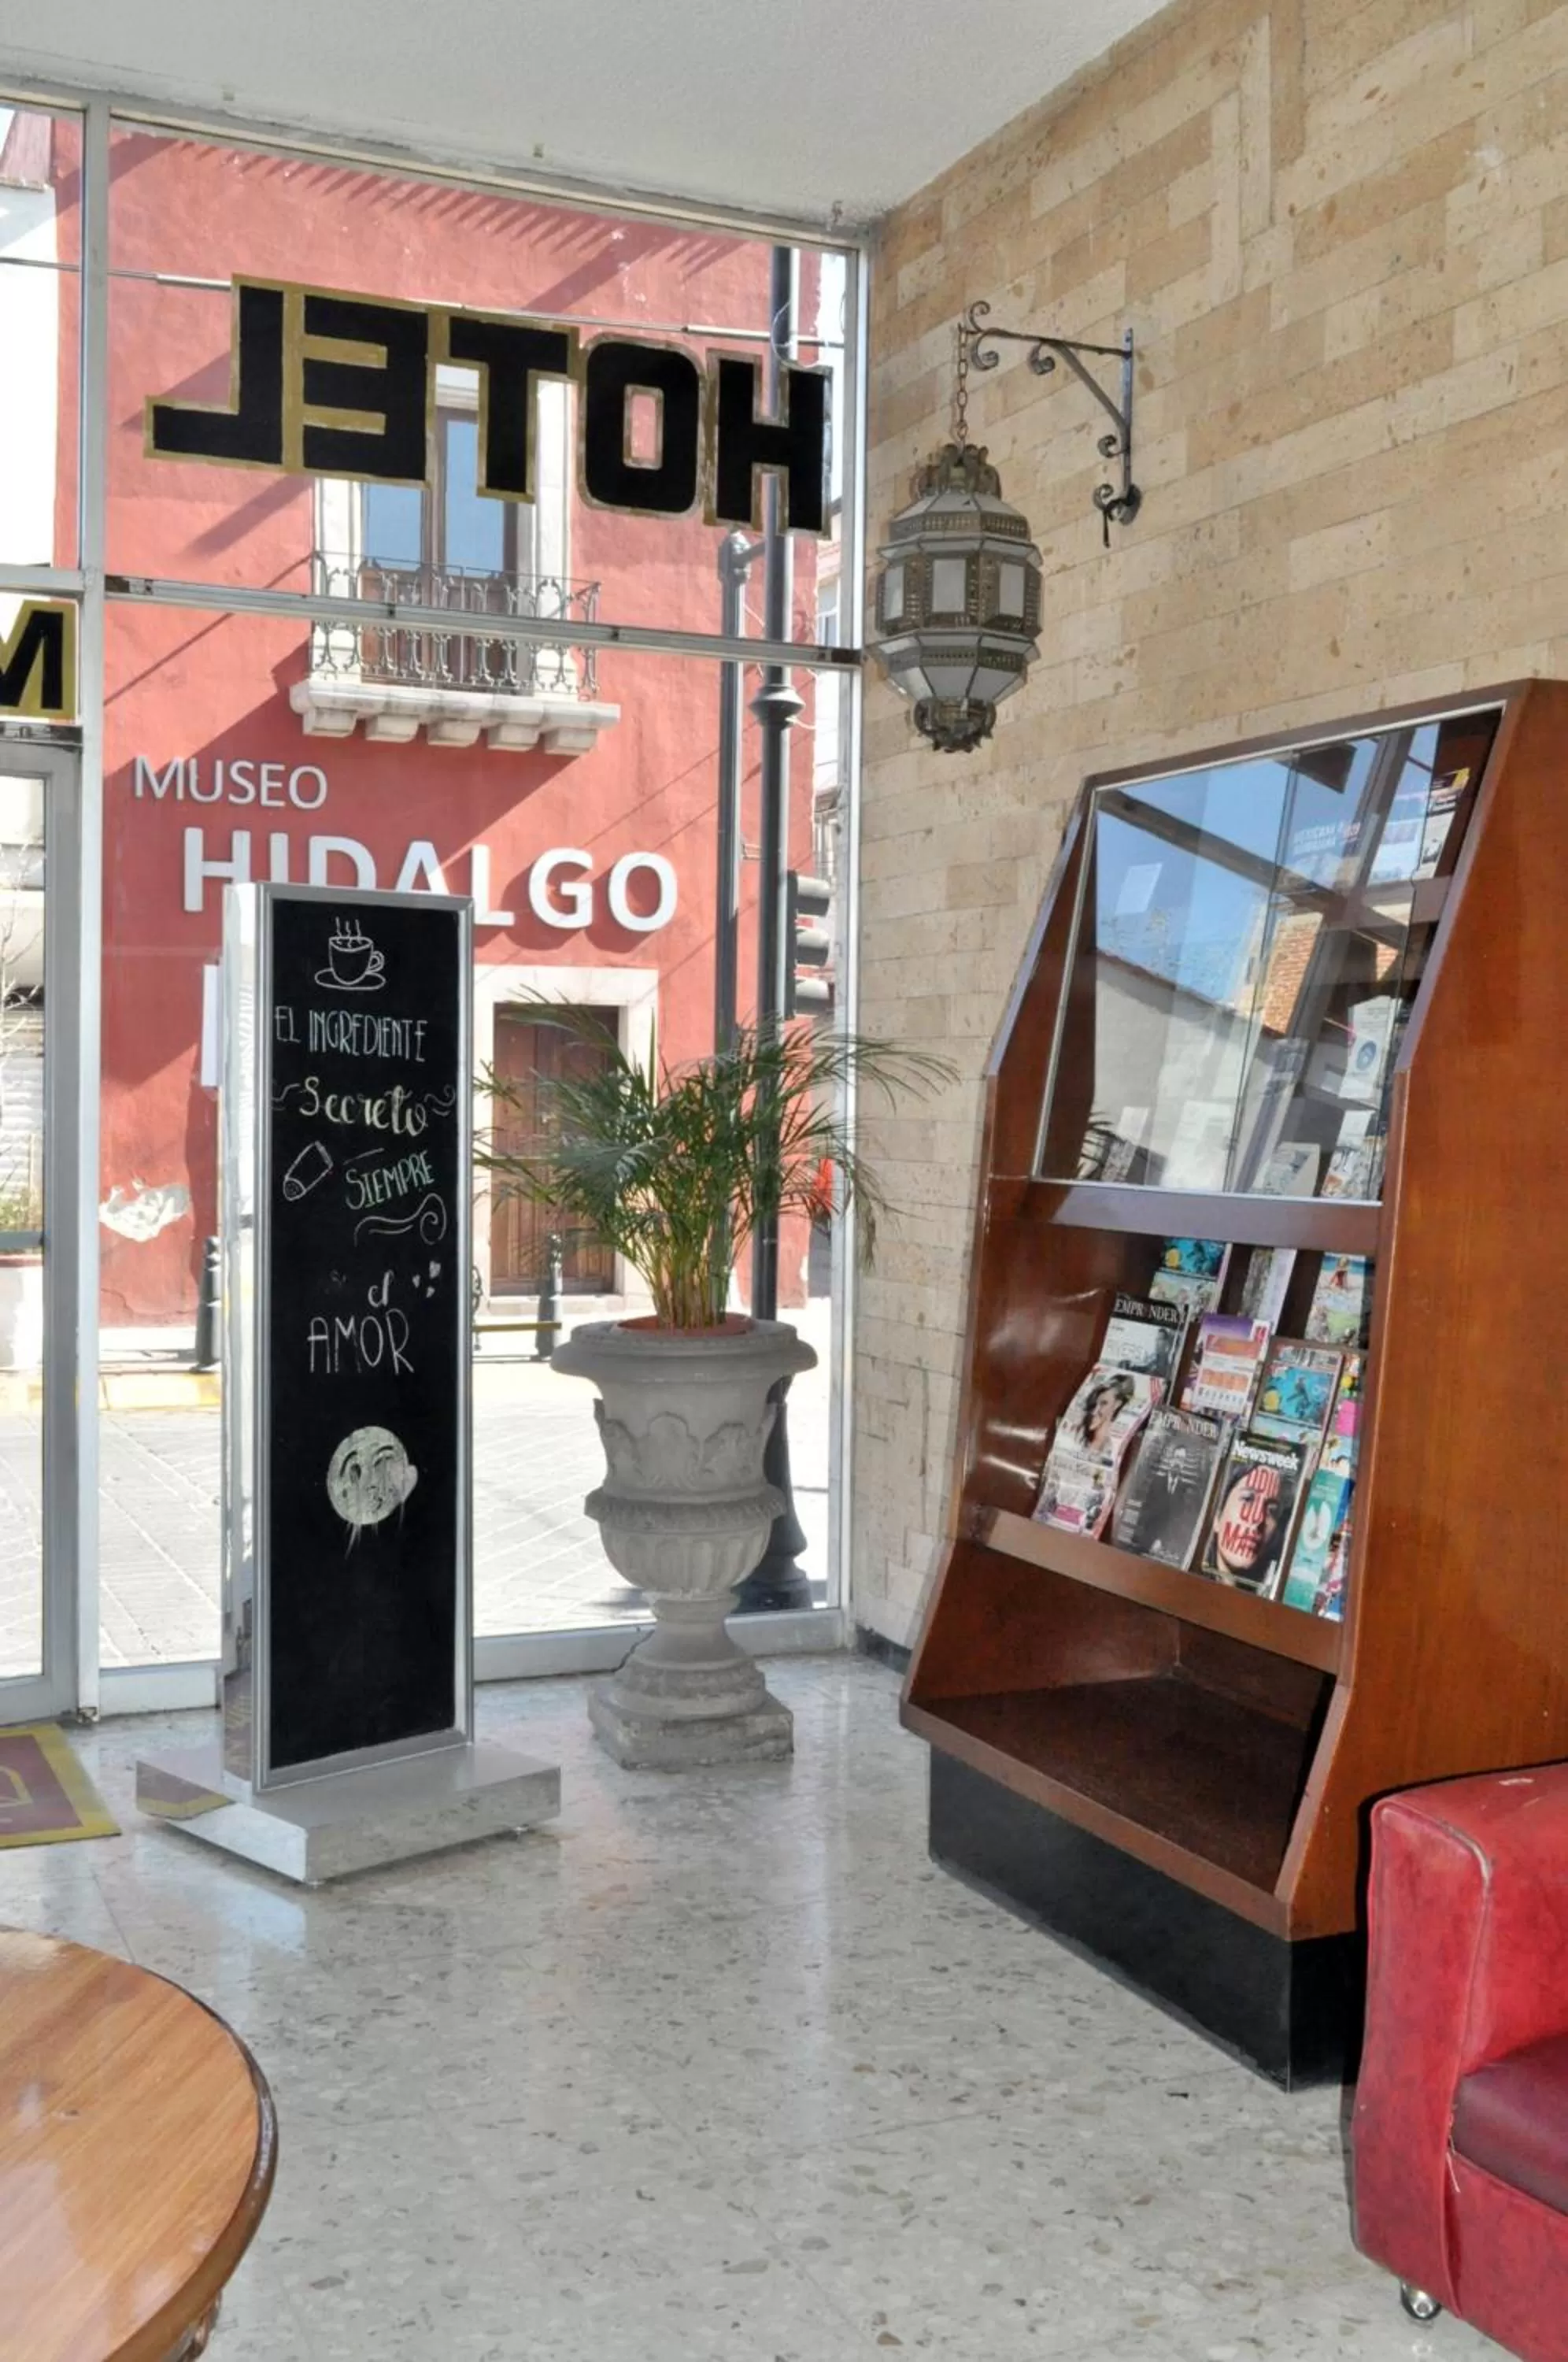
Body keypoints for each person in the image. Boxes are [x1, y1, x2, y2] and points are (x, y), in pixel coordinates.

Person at [1074, 1371, 1135, 1457]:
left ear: (1117, 1405)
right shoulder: (1080, 1434)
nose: (1094, 1411)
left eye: (1104, 1403)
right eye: (1095, 1403)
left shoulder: (1112, 1448)